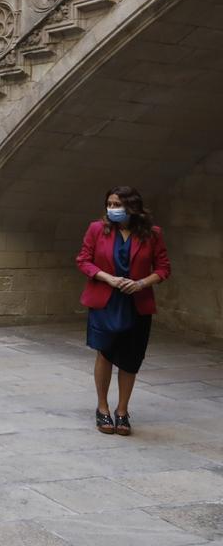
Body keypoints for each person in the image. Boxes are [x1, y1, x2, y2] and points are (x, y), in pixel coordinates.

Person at [77, 186, 170, 436]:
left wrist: (141, 283)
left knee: (131, 358)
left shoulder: (152, 234)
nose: (112, 209)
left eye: (118, 204)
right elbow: (83, 260)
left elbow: (163, 268)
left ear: (133, 207)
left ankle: (122, 410)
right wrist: (108, 278)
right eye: (109, 203)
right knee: (105, 353)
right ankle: (102, 407)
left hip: (137, 303)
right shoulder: (97, 229)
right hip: (105, 302)